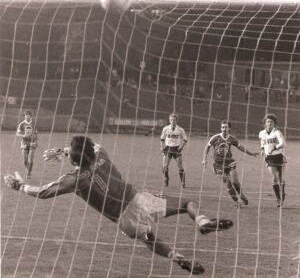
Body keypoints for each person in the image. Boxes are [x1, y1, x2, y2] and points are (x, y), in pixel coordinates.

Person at [4, 135, 233, 275]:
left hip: (123, 219)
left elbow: (43, 192)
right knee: (187, 203)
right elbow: (94, 145)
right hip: (138, 200)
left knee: (150, 239)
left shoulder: (74, 180)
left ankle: (179, 259)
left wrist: (19, 185)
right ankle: (202, 221)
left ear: (74, 160)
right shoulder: (101, 154)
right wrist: (64, 151)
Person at [202, 120, 259, 207]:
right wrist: (204, 159)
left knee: (235, 182)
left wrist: (251, 153)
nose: (224, 129)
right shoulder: (215, 137)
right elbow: (207, 147)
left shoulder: (232, 138)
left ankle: (241, 195)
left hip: (230, 162)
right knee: (227, 182)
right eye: (223, 127)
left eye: (226, 127)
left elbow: (241, 147)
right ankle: (236, 201)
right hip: (218, 164)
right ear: (221, 128)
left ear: (229, 128)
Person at [258, 113, 286, 207]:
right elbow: (262, 142)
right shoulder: (261, 133)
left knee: (280, 179)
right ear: (265, 123)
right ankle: (279, 199)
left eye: (271, 122)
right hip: (269, 158)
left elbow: (283, 143)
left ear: (274, 124)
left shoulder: (277, 132)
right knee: (275, 177)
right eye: (268, 121)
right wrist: (262, 149)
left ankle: (282, 191)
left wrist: (274, 148)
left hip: (279, 156)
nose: (269, 123)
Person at [160, 113, 188, 188]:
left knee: (180, 166)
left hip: (176, 149)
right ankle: (166, 178)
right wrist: (161, 147)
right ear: (169, 120)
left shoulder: (180, 130)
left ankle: (182, 182)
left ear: (176, 121)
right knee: (165, 166)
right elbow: (162, 139)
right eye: (171, 120)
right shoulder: (165, 129)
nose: (172, 121)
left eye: (174, 120)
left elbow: (185, 140)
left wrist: (181, 146)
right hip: (168, 148)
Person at [16, 110, 38, 179]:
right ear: (24, 116)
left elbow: (36, 134)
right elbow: (17, 134)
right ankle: (28, 169)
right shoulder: (21, 124)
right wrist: (23, 135)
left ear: (31, 117)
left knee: (31, 158)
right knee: (25, 159)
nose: (27, 117)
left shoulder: (34, 124)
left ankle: (29, 173)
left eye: (28, 116)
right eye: (26, 116)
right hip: (24, 143)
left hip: (32, 142)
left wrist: (36, 142)